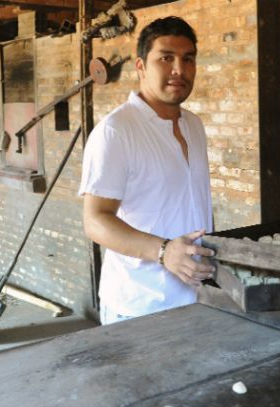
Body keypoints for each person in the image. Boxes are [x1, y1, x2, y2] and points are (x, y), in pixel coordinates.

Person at [79, 16, 215, 324]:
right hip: (139, 306)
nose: (179, 69)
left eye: (188, 59)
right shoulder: (116, 131)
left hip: (198, 297)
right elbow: (95, 220)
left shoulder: (194, 125)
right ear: (141, 66)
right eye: (166, 58)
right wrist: (164, 251)